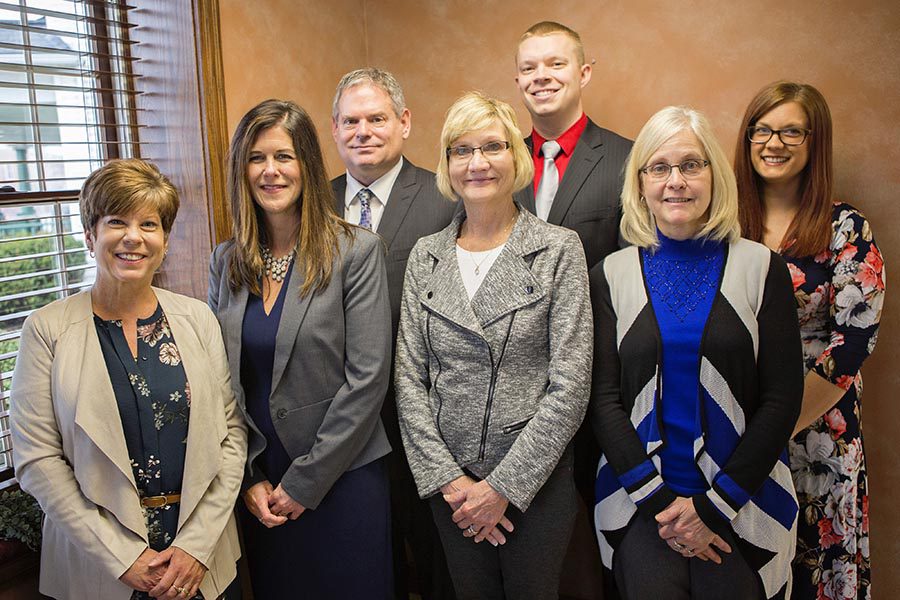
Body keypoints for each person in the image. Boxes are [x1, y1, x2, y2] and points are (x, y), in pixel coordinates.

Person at [590, 106, 804, 599]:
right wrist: (664, 506)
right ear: (640, 182)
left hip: (743, 505)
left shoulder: (760, 267)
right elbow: (602, 401)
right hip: (641, 507)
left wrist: (711, 510)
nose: (676, 182)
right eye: (659, 167)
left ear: (715, 175)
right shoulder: (611, 274)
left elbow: (781, 399)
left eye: (691, 165)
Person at [11, 158, 247, 600]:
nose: (134, 237)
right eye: (117, 221)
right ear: (89, 235)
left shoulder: (198, 318)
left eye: (150, 224)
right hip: (98, 567)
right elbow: (36, 458)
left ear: (165, 239)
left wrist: (195, 548)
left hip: (199, 561)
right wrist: (123, 559)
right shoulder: (46, 330)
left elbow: (231, 436)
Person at [394, 91, 592, 600]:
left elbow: (570, 385)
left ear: (516, 157)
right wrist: (450, 482)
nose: (477, 163)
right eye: (461, 150)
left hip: (535, 485)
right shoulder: (426, 255)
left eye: (493, 147)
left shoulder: (558, 249)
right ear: (447, 164)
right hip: (451, 491)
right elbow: (409, 380)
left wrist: (502, 488)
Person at [208, 99, 393, 599]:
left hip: (341, 476)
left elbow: (368, 379)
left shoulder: (355, 251)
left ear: (307, 165)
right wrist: (245, 476)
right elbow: (217, 381)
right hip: (261, 487)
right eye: (256, 158)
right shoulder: (225, 261)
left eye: (284, 157)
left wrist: (305, 483)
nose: (270, 171)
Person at [734, 81, 884, 599]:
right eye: (763, 129)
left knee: (816, 565)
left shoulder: (846, 226)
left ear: (815, 140)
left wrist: (780, 425)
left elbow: (853, 343)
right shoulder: (724, 223)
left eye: (791, 130)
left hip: (818, 425)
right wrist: (750, 432)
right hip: (734, 423)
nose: (774, 143)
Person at [330, 67, 457, 600]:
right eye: (350, 121)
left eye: (377, 118)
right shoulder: (311, 202)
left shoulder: (445, 197)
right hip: (338, 418)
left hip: (426, 416)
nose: (364, 131)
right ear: (334, 130)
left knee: (432, 556)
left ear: (404, 122)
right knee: (360, 556)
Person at [513, 22, 633, 549]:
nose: (541, 76)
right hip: (517, 388)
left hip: (606, 380)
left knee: (608, 532)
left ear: (583, 72)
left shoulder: (627, 160)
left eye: (555, 64)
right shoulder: (495, 164)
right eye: (528, 67)